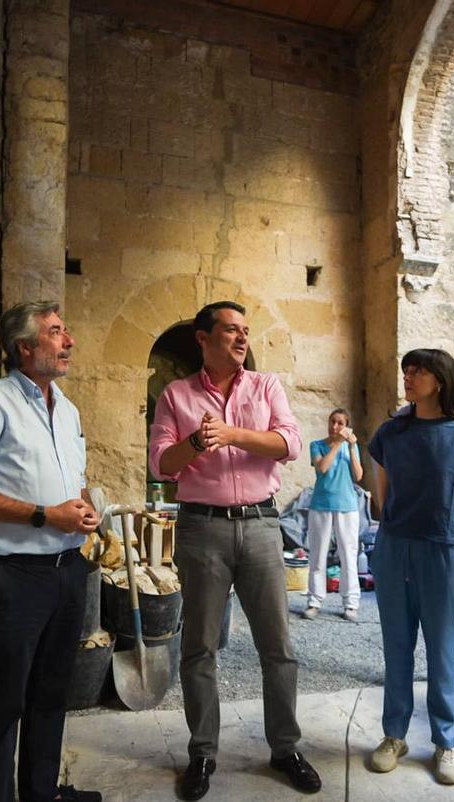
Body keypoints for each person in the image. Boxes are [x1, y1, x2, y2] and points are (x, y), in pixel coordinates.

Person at [149, 301, 321, 801]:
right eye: (230, 330)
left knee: (279, 647)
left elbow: (289, 443)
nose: (242, 339)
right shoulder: (176, 395)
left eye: (246, 331)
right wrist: (197, 445)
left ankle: (285, 748)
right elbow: (163, 463)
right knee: (199, 647)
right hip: (201, 528)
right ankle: (202, 752)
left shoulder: (265, 386)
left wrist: (232, 434)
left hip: (263, 524)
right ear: (203, 338)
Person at [0, 301, 102, 802]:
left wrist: (81, 510)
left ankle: (40, 793)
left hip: (68, 570)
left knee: (51, 695)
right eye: (57, 332)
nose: (69, 340)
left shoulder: (69, 409)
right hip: (14, 577)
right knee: (3, 704)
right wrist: (45, 515)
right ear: (25, 347)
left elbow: (67, 483)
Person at [366, 348, 454, 786]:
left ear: (440, 380)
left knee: (442, 647)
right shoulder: (391, 432)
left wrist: (451, 533)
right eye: (407, 370)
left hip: (442, 549)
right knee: (396, 644)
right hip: (395, 545)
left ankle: (445, 740)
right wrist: (396, 528)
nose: (409, 377)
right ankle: (393, 735)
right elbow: (384, 489)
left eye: (418, 371)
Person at [301, 408, 363, 622]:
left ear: (346, 425)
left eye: (340, 423)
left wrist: (352, 446)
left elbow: (359, 475)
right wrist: (337, 443)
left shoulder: (350, 447)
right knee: (318, 554)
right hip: (321, 505)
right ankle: (314, 601)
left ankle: (351, 604)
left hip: (347, 506)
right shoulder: (317, 445)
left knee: (348, 554)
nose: (335, 427)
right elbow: (323, 468)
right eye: (332, 422)